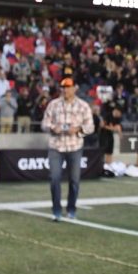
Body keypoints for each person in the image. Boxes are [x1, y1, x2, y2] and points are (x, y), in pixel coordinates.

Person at [41, 78, 94, 221]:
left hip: (75, 146)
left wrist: (78, 130)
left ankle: (71, 209)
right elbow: (44, 123)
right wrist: (53, 128)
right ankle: (56, 210)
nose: (65, 90)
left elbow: (90, 126)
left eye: (68, 87)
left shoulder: (83, 106)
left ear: (75, 88)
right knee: (54, 178)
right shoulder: (53, 104)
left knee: (74, 180)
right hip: (56, 146)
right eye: (63, 87)